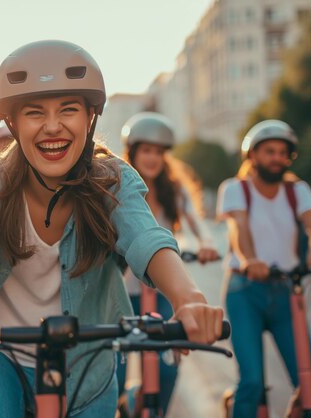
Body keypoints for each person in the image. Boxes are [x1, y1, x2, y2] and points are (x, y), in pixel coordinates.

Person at [0, 40, 224, 418]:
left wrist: (188, 299)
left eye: (68, 110)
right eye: (34, 112)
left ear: (91, 117)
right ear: (12, 123)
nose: (52, 126)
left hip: (86, 366)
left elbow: (147, 237)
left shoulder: (113, 179)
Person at [217, 119, 311, 417]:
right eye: (270, 151)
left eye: (283, 152)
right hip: (245, 291)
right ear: (252, 155)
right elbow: (239, 228)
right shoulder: (235, 189)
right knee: (252, 383)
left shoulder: (298, 191)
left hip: (286, 293)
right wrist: (250, 260)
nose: (277, 158)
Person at [118, 112, 220, 415]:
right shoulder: (117, 186)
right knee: (114, 371)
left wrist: (206, 244)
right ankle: (124, 402)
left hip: (160, 294)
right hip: (122, 294)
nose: (153, 158)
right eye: (146, 150)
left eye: (159, 152)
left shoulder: (173, 190)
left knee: (168, 367)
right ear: (133, 151)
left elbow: (198, 224)